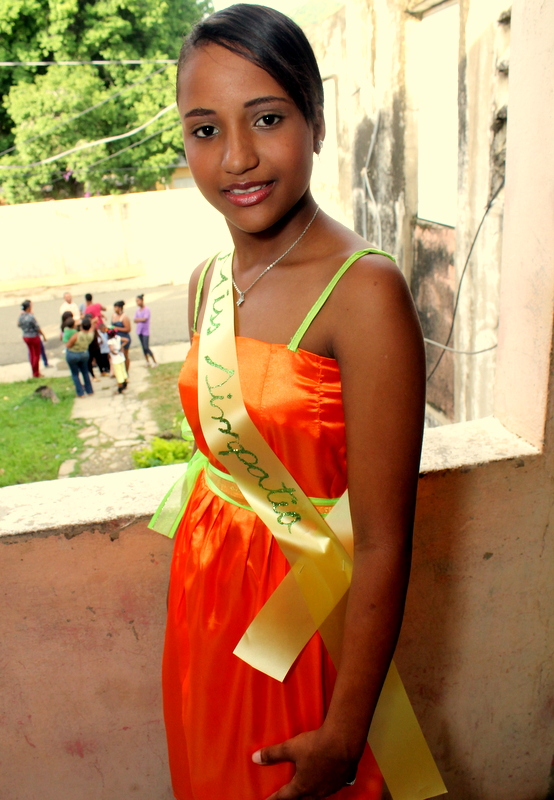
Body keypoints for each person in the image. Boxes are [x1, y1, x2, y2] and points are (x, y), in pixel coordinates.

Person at [159, 6, 427, 800]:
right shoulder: (207, 282)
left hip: (305, 627)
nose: (237, 156)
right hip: (205, 610)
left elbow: (382, 541)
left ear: (316, 120)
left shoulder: (365, 292)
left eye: (268, 119)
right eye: (206, 130)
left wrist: (345, 734)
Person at [65, 316, 94, 397]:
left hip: (73, 354)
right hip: (84, 353)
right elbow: (92, 328)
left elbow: (68, 345)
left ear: (81, 326)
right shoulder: (90, 335)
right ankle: (89, 390)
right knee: (85, 372)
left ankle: (80, 393)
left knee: (75, 374)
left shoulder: (76, 335)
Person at [17, 300, 46, 378]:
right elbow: (37, 327)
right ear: (28, 308)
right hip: (33, 337)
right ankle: (36, 373)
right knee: (36, 355)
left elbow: (18, 325)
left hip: (25, 336)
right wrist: (43, 335)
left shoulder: (21, 316)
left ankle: (34, 371)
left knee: (31, 353)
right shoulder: (31, 317)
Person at [133, 294, 157, 367]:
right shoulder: (137, 310)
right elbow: (135, 320)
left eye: (138, 301)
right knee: (143, 347)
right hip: (139, 331)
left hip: (145, 332)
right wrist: (140, 319)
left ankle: (154, 361)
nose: (137, 303)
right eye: (136, 301)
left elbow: (145, 319)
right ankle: (147, 361)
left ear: (142, 300)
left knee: (146, 347)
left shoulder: (147, 309)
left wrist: (138, 319)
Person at [111, 301, 131, 373]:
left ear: (120, 308)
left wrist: (116, 328)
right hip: (115, 338)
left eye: (116, 307)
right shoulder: (113, 315)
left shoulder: (124, 317)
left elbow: (128, 329)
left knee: (125, 355)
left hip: (123, 337)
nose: (114, 309)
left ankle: (126, 371)